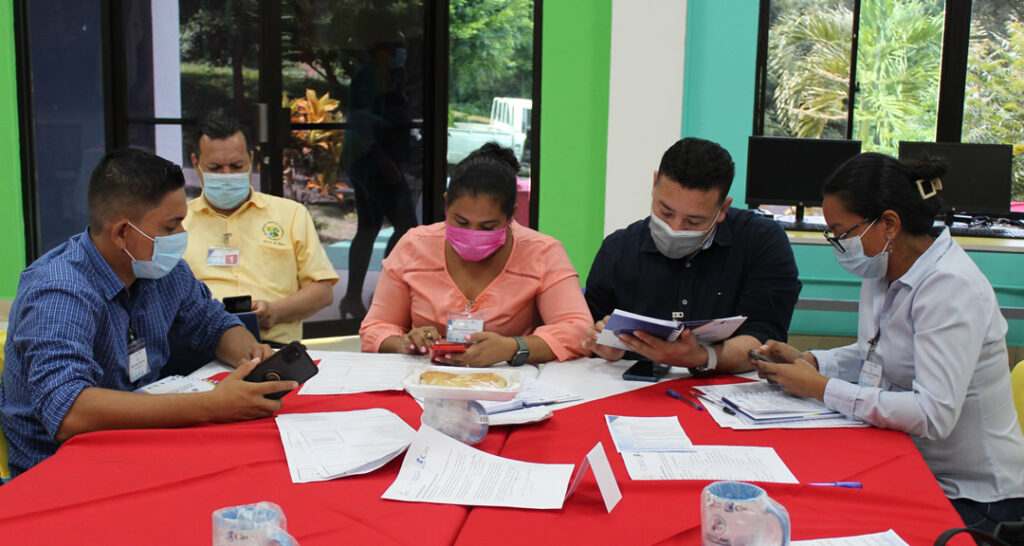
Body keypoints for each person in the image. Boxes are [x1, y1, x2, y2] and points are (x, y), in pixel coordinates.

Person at [750, 153, 1024, 532]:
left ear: (890, 223)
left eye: (842, 233)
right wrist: (813, 361)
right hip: (913, 465)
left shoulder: (950, 287)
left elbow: (932, 415)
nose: (837, 245)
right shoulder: (882, 268)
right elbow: (874, 353)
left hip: (977, 498)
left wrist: (823, 388)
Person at [0, 149, 296, 477]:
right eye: (171, 227)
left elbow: (212, 323)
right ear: (122, 233)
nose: (181, 235)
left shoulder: (160, 271)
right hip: (63, 473)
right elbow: (69, 412)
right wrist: (212, 406)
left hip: (143, 445)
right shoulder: (60, 291)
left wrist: (252, 356)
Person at [582, 137, 801, 374]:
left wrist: (704, 357)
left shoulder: (761, 242)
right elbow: (590, 327)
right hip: (631, 390)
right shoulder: (618, 249)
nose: (675, 229)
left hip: (730, 391)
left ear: (722, 210)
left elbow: (765, 337)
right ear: (654, 184)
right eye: (665, 212)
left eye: (693, 221)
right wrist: (609, 348)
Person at [359, 143, 591, 367]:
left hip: (508, 389)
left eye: (488, 226)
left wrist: (513, 348)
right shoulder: (414, 246)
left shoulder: (542, 252)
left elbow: (579, 330)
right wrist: (405, 343)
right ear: (446, 204)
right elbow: (376, 327)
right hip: (424, 381)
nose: (472, 234)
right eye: (460, 222)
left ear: (511, 215)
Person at [184, 114, 338, 345]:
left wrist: (274, 312)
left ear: (252, 160)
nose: (227, 176)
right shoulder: (178, 222)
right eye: (215, 168)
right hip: (201, 349)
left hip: (274, 347)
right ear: (196, 164)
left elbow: (323, 291)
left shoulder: (290, 214)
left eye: (237, 166)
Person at [338, 21, 419, 321]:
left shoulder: (384, 76)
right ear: (381, 50)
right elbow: (361, 121)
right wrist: (383, 160)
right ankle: (384, 295)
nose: (402, 53)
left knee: (368, 229)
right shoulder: (369, 74)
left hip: (372, 161)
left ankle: (352, 298)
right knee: (407, 227)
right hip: (372, 162)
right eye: (396, 48)